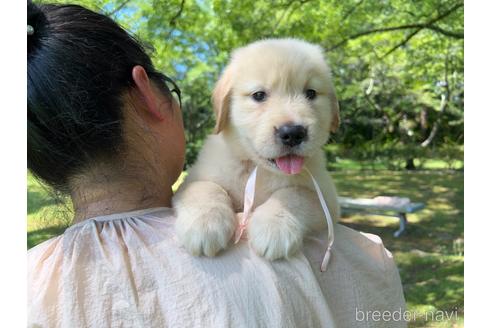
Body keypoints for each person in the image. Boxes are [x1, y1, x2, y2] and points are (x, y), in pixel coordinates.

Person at [27, 2, 407, 327]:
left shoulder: (27, 286)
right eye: (258, 95)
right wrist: (208, 199)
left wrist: (289, 208)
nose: (292, 119)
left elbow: (320, 201)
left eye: (311, 93)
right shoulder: (361, 260)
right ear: (148, 93)